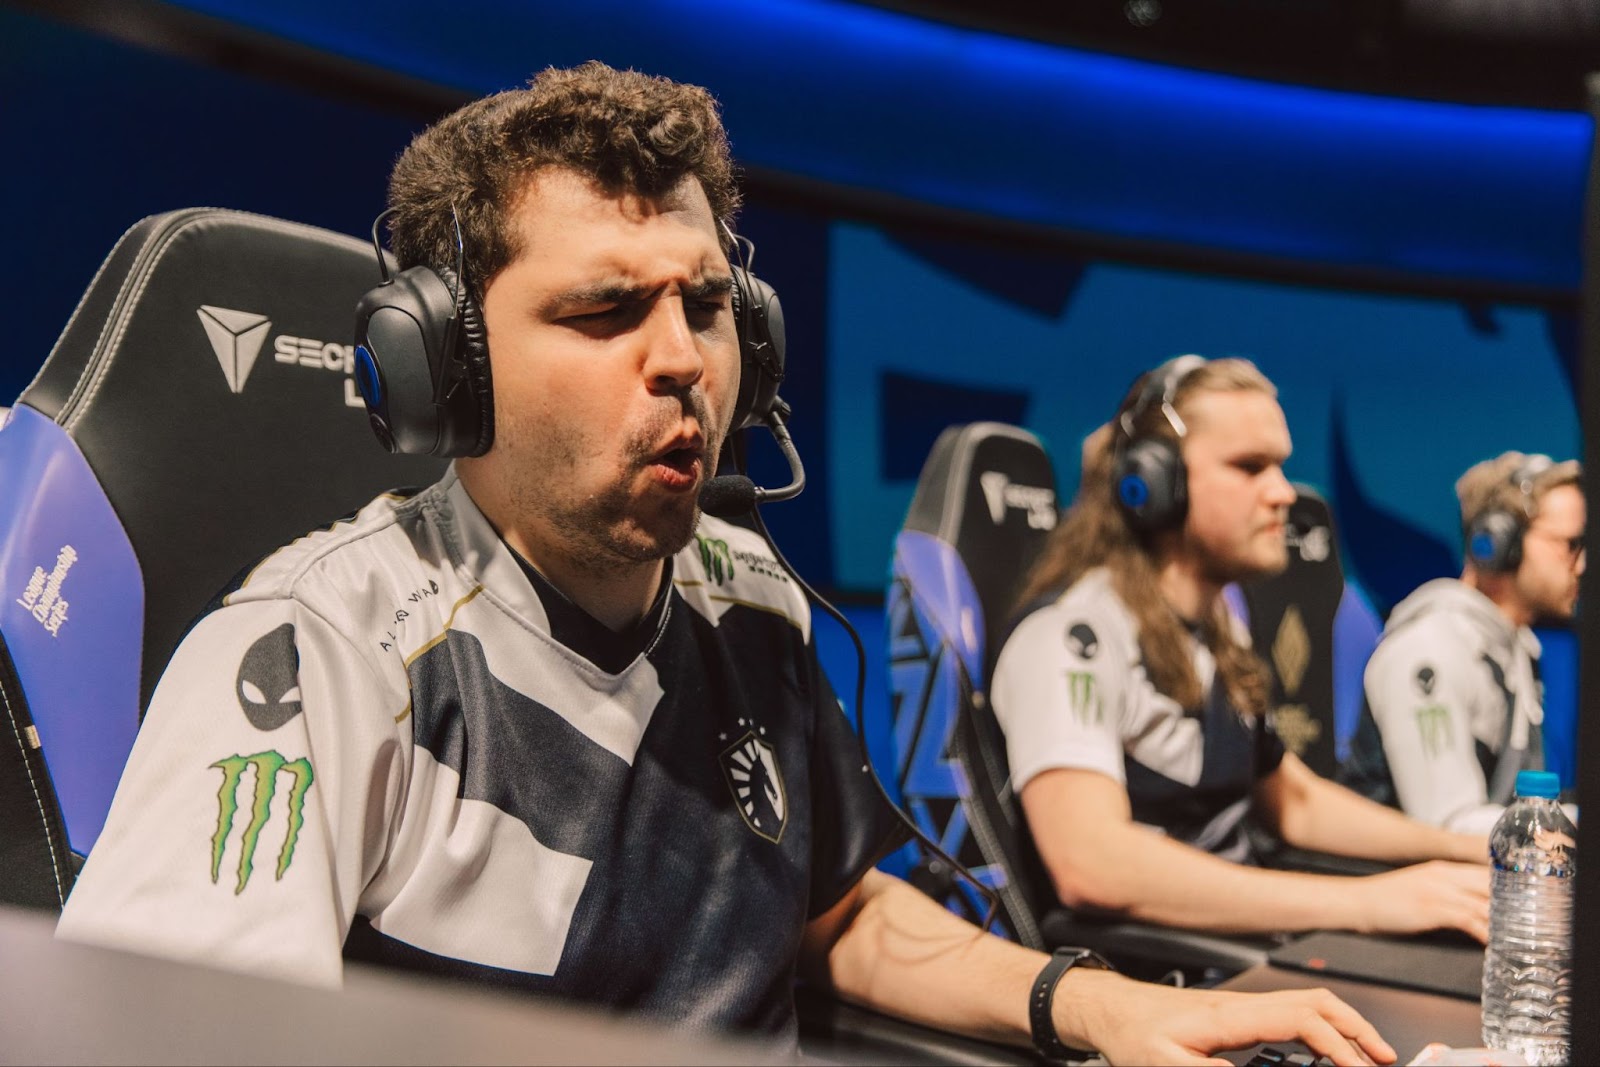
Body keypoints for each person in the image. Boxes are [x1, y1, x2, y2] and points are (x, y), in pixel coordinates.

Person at [58, 65, 1394, 1066]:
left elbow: (841, 918)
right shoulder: (316, 659)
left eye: (704, 303)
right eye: (604, 309)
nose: (682, 358)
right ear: (442, 369)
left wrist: (1093, 1001)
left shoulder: (750, 598)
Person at [991, 355, 1492, 945]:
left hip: (1238, 954)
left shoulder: (1216, 629)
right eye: (1249, 467)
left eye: (1280, 466)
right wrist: (1367, 902)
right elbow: (1091, 865)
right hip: (1160, 978)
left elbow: (1295, 803)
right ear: (1152, 484)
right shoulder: (1072, 637)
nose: (1282, 493)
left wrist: (1465, 848)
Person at [1339, 452, 1584, 834]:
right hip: (1402, 870)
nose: (1582, 565)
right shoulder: (1429, 650)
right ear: (1497, 544)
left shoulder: (1513, 649)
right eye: (1571, 544)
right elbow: (1449, 825)